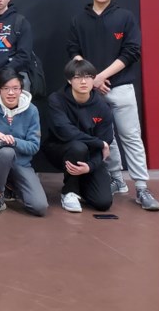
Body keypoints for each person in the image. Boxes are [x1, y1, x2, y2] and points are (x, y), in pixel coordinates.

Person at [66, 0, 159, 211]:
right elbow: (73, 50)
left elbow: (131, 52)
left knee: (130, 136)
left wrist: (100, 77)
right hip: (92, 92)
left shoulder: (125, 18)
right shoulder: (79, 20)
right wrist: (91, 80)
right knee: (104, 139)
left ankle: (141, 187)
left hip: (121, 87)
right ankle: (116, 179)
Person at [0, 68, 48, 217]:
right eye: (6, 88)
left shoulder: (32, 110)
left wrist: (13, 141)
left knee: (40, 207)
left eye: (15, 88)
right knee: (5, 151)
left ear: (21, 89)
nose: (11, 93)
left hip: (21, 164)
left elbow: (34, 146)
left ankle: (12, 186)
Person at [42, 59, 115, 214]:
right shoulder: (57, 99)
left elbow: (106, 142)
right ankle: (69, 192)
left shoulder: (103, 107)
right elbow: (66, 132)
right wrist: (99, 143)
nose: (83, 81)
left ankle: (82, 181)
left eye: (88, 76)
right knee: (77, 146)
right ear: (69, 80)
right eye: (77, 77)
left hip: (90, 155)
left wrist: (91, 166)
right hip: (59, 149)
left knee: (103, 202)